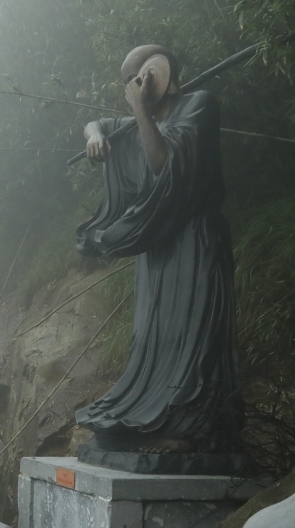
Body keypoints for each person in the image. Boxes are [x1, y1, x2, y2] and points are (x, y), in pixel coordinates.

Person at [77, 45, 241, 459]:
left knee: (194, 333)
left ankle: (193, 430)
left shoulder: (198, 105)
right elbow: (95, 122)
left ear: (153, 76)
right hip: (159, 246)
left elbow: (163, 163)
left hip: (196, 238)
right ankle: (146, 418)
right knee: (156, 337)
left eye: (134, 77)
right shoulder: (139, 121)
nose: (129, 88)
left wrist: (139, 111)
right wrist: (95, 133)